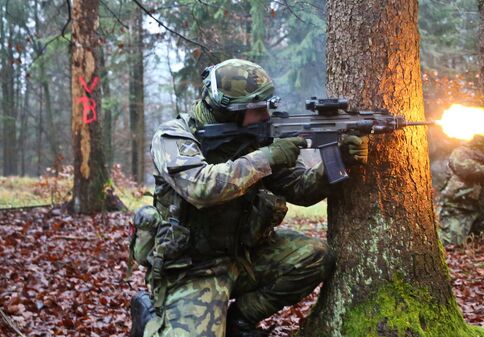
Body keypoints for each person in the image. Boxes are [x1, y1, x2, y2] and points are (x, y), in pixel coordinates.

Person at [130, 59, 369, 337]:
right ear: (227, 112)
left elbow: (300, 189)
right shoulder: (173, 137)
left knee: (314, 256)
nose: (264, 116)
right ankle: (147, 318)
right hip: (193, 269)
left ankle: (239, 321)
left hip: (244, 258)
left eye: (265, 107)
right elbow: (200, 189)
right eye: (255, 110)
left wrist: (337, 160)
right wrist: (267, 157)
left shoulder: (257, 138)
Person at [437, 137, 484, 246]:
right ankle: (460, 231)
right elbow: (464, 168)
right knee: (449, 243)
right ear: (482, 144)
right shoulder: (461, 152)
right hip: (456, 207)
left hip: (475, 209)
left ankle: (467, 230)